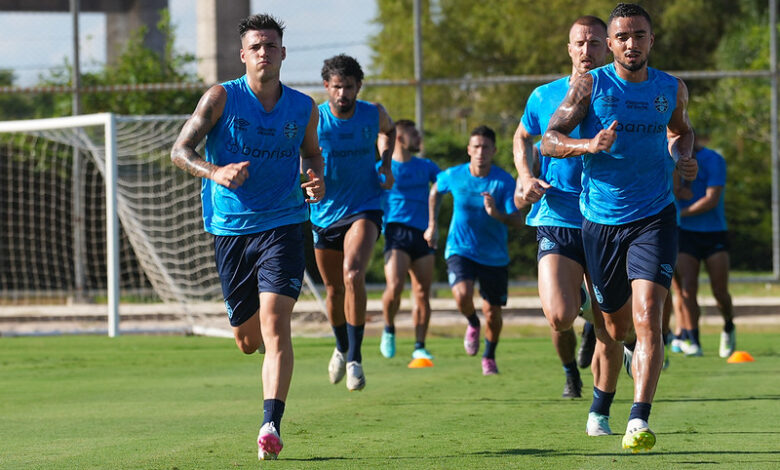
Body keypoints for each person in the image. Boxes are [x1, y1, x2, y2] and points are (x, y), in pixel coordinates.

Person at [541, 3, 698, 452]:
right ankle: (600, 402)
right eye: (623, 37)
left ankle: (638, 419)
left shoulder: (671, 88)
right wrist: (589, 144)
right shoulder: (590, 85)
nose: (632, 44)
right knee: (614, 328)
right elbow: (550, 139)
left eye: (640, 35)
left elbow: (682, 131)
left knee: (650, 317)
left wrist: (681, 155)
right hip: (601, 221)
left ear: (652, 40)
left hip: (655, 216)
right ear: (610, 44)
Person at [170, 14, 324, 460]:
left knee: (277, 326)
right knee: (248, 341)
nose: (263, 52)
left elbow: (312, 155)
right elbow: (180, 151)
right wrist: (216, 172)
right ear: (243, 55)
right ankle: (265, 385)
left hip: (284, 225)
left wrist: (315, 179)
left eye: (270, 45)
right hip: (232, 230)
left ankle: (270, 423)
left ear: (282, 53)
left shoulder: (303, 107)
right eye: (255, 46)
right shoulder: (221, 98)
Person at [514, 16, 619, 406]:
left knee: (611, 324)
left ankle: (600, 405)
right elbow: (523, 136)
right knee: (559, 316)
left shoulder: (621, 92)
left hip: (607, 214)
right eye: (580, 43)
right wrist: (525, 176)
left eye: (594, 43)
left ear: (607, 46)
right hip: (557, 211)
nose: (586, 50)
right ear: (569, 48)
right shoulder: (544, 96)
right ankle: (588, 340)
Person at [312, 54, 395, 392]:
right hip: (324, 212)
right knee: (333, 289)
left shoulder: (372, 113)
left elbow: (388, 132)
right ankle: (341, 345)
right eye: (336, 87)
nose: (342, 94)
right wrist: (310, 178)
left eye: (348, 87)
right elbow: (301, 154)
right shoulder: (314, 118)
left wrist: (385, 163)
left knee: (353, 273)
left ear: (358, 87)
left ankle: (355, 358)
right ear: (326, 87)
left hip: (364, 206)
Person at [425, 126, 523, 375]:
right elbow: (435, 189)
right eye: (476, 147)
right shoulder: (455, 175)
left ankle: (489, 355)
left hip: (494, 255)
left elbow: (517, 220)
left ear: (494, 151)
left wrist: (496, 214)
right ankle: (471, 322)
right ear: (469, 149)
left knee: (493, 313)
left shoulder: (503, 181)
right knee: (462, 294)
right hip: (461, 248)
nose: (480, 152)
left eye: (486, 147)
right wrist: (432, 226)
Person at [378, 120, 440, 360]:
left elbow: (447, 183)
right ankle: (389, 329)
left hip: (422, 234)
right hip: (396, 233)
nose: (418, 138)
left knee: (422, 293)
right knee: (394, 288)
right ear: (400, 139)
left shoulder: (426, 166)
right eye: (413, 134)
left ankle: (419, 345)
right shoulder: (382, 168)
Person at [671, 136, 735, 358]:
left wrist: (681, 212)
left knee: (720, 291)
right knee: (687, 289)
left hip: (713, 233)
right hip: (685, 234)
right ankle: (693, 339)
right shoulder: (670, 160)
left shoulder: (713, 159)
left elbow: (711, 199)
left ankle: (728, 325)